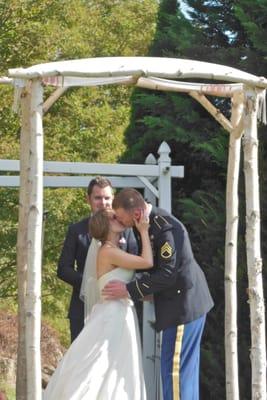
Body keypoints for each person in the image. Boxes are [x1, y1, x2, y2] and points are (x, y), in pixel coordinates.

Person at [102, 188, 214, 400]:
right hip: (178, 304)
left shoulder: (164, 227)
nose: (120, 222)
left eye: (122, 219)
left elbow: (167, 273)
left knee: (175, 373)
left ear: (136, 214)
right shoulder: (144, 225)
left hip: (183, 306)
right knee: (180, 373)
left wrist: (129, 289)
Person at [43, 208, 153, 399]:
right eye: (113, 217)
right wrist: (143, 230)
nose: (118, 218)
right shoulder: (108, 252)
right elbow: (147, 261)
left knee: (116, 369)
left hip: (120, 314)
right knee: (99, 366)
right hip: (113, 316)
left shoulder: (112, 250)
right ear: (106, 225)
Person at [57, 176, 137, 342]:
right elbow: (63, 269)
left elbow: (138, 264)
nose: (103, 202)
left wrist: (127, 287)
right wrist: (90, 284)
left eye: (107, 198)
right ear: (88, 199)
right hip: (82, 308)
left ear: (113, 199)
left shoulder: (126, 229)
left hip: (117, 306)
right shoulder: (76, 230)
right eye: (98, 198)